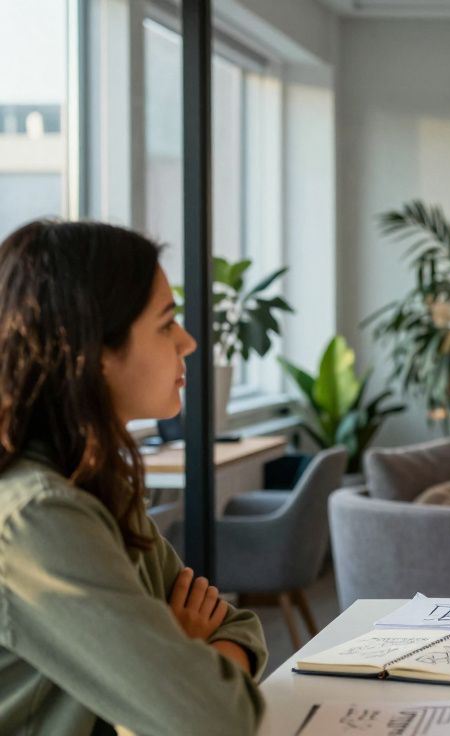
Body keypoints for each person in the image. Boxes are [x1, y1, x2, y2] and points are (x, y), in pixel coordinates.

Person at [0, 220, 267, 735]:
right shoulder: (38, 518)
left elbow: (238, 625)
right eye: (166, 324)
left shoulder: (97, 486)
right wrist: (184, 648)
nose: (188, 342)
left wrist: (182, 658)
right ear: (95, 352)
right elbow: (214, 717)